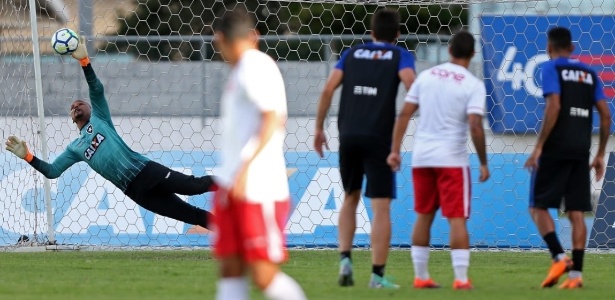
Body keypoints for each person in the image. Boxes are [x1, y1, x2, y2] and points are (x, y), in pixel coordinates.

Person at [5, 37, 216, 232]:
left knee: (193, 187)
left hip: (146, 171)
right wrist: (28, 156)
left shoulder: (100, 119)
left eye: (80, 103)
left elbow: (96, 89)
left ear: (91, 108)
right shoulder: (75, 148)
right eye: (72, 106)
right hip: (135, 192)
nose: (75, 105)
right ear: (71, 119)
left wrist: (85, 62)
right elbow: (52, 171)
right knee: (191, 215)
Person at [314, 9, 416, 289]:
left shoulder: (352, 53)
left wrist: (319, 128)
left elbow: (327, 90)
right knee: (381, 207)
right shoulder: (400, 56)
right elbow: (412, 85)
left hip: (348, 134)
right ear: (397, 35)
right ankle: (377, 276)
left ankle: (345, 259)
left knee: (350, 197)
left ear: (371, 33)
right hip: (379, 137)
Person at [211, 9, 306, 300]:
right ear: (254, 36)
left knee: (264, 276)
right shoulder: (242, 68)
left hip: (257, 188)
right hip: (233, 184)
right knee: (230, 268)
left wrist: (245, 170)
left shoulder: (254, 66)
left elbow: (272, 118)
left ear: (220, 39)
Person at [387, 31, 490, 290]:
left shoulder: (426, 77)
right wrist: (484, 162)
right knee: (456, 218)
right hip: (452, 160)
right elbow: (476, 127)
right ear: (472, 54)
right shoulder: (473, 84)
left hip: (422, 158)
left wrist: (395, 150)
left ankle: (421, 276)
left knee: (423, 215)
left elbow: (404, 115)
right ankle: (461, 279)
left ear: (449, 51)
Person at [524, 27, 610, 289]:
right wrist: (599, 154)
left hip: (555, 148)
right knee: (576, 212)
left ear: (549, 49)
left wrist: (539, 147)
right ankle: (576, 276)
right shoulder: (589, 74)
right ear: (572, 49)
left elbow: (554, 106)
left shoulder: (551, 69)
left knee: (537, 206)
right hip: (580, 150)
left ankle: (559, 257)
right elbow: (606, 116)